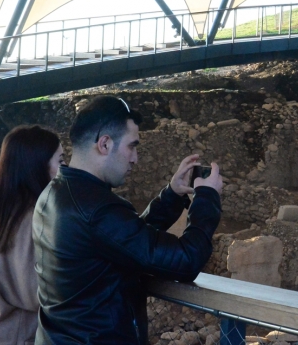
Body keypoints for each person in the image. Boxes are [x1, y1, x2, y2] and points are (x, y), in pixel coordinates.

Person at [32, 96, 223, 345]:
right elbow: (186, 259)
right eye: (132, 146)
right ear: (104, 144)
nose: (135, 158)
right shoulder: (96, 209)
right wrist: (207, 197)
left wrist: (172, 195)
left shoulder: (56, 192)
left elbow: (123, 240)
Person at [0, 125, 65, 345]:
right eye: (60, 161)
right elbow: (37, 295)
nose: (66, 168)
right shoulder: (33, 218)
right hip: (20, 336)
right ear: (38, 166)